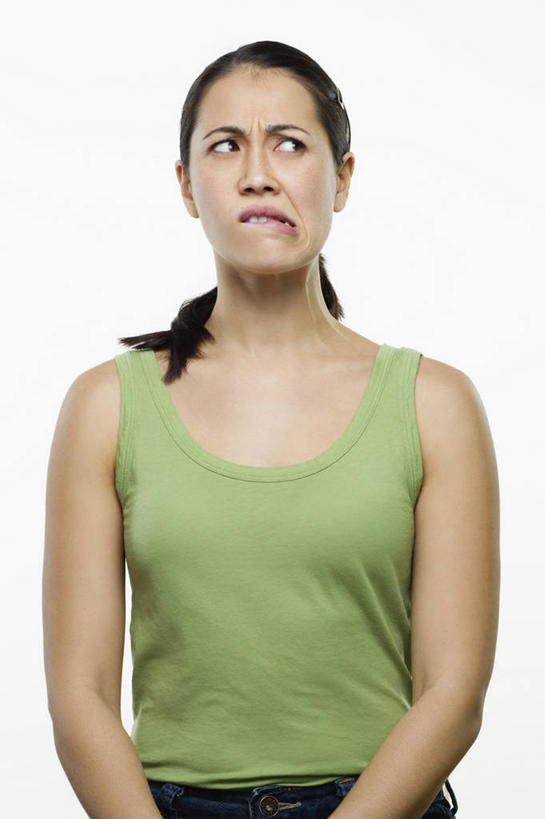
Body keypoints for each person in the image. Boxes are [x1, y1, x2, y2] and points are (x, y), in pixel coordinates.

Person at [42, 40, 500, 819]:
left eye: (289, 143)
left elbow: (452, 693)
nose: (257, 173)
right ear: (187, 185)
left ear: (341, 177)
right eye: (225, 146)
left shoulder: (433, 403)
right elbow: (79, 698)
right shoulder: (105, 407)